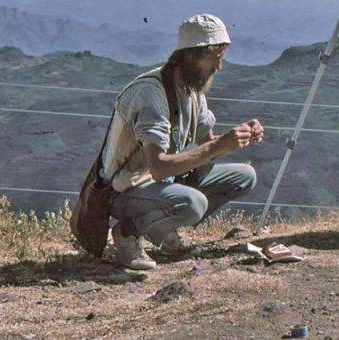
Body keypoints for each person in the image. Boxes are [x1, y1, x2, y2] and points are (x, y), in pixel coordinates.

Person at [104, 14, 263, 270]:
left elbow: (207, 145)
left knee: (244, 176)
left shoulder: (192, 90)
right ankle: (128, 232)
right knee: (193, 203)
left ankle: (164, 232)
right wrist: (219, 145)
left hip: (160, 185)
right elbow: (159, 167)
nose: (218, 67)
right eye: (215, 59)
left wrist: (238, 137)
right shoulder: (151, 94)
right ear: (191, 56)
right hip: (126, 190)